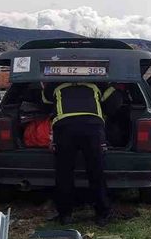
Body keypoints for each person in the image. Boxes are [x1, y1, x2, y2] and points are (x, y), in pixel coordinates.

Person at [42, 81, 121, 226]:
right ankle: (102, 214)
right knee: (96, 171)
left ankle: (65, 215)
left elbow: (44, 105)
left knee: (64, 173)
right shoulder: (98, 82)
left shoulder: (53, 84)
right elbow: (115, 103)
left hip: (65, 130)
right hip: (92, 129)